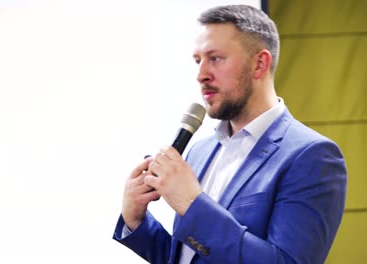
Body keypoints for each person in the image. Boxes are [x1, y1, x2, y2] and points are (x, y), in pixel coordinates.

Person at [112, 4, 347, 264]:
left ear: (259, 64)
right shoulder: (199, 151)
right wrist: (136, 220)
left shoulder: (313, 156)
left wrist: (191, 204)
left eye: (216, 58)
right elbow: (188, 257)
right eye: (198, 60)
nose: (201, 74)